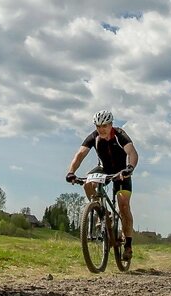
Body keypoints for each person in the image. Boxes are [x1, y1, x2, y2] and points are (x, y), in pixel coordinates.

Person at [65, 109, 139, 260]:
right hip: (104, 169)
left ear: (111, 124)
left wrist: (130, 168)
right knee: (87, 184)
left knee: (123, 205)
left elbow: (132, 152)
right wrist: (71, 172)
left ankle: (128, 244)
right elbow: (80, 155)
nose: (101, 129)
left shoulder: (120, 134)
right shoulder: (94, 137)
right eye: (98, 126)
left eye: (104, 126)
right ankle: (102, 212)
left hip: (121, 171)